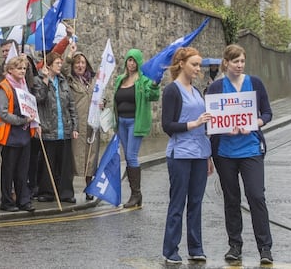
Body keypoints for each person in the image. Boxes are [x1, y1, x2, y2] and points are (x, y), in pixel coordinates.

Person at [207, 44, 274, 265]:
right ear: (226, 62)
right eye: (235, 61)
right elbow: (210, 120)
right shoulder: (216, 88)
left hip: (250, 149)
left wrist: (256, 122)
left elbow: (267, 112)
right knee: (231, 199)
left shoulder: (254, 83)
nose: (239, 65)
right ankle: (234, 245)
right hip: (225, 153)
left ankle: (265, 248)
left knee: (256, 196)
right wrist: (222, 127)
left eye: (242, 61)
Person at [160, 47, 213, 265]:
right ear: (181, 64)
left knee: (196, 203)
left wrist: (208, 156)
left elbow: (204, 128)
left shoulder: (197, 91)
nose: (198, 69)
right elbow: (167, 125)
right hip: (180, 153)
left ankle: (196, 247)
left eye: (199, 65)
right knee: (178, 203)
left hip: (200, 153)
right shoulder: (172, 90)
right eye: (194, 64)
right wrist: (194, 123)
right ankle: (170, 249)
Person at [112, 48, 160, 208]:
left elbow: (152, 95)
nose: (131, 63)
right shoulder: (120, 79)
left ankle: (136, 194)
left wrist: (155, 84)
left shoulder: (143, 80)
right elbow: (116, 99)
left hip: (135, 122)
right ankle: (136, 194)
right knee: (127, 156)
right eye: (129, 60)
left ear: (139, 62)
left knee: (132, 156)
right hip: (121, 123)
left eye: (134, 60)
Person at [31, 51, 78, 203]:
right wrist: (45, 81)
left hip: (63, 128)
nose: (60, 65)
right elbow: (39, 99)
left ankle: (66, 192)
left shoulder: (63, 81)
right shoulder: (38, 80)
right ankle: (47, 192)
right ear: (49, 65)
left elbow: (71, 105)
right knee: (48, 164)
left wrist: (74, 126)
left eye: (60, 63)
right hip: (48, 128)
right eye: (57, 63)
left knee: (65, 164)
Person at [0, 55, 37, 213]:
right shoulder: (3, 88)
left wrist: (34, 122)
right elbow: (3, 114)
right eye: (19, 68)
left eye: (24, 68)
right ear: (10, 70)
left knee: (22, 171)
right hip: (9, 135)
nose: (22, 71)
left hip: (24, 135)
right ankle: (7, 201)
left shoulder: (24, 86)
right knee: (9, 171)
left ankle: (23, 200)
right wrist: (22, 120)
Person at [62, 47, 101, 200]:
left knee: (90, 158)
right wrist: (69, 55)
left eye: (82, 63)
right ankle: (69, 190)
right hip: (76, 125)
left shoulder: (93, 81)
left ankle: (89, 188)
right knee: (73, 158)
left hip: (91, 125)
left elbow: (99, 96)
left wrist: (102, 102)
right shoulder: (69, 80)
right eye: (77, 63)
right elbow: (63, 70)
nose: (80, 65)